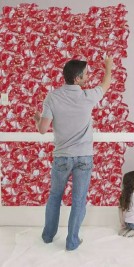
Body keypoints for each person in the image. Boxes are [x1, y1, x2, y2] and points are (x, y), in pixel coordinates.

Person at [33, 56, 113, 251]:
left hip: (61, 157)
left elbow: (42, 129)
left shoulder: (52, 97)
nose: (88, 76)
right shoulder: (88, 96)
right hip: (84, 157)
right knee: (78, 200)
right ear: (77, 79)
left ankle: (48, 236)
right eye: (85, 74)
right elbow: (106, 83)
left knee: (54, 197)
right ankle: (72, 241)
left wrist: (37, 118)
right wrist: (108, 67)